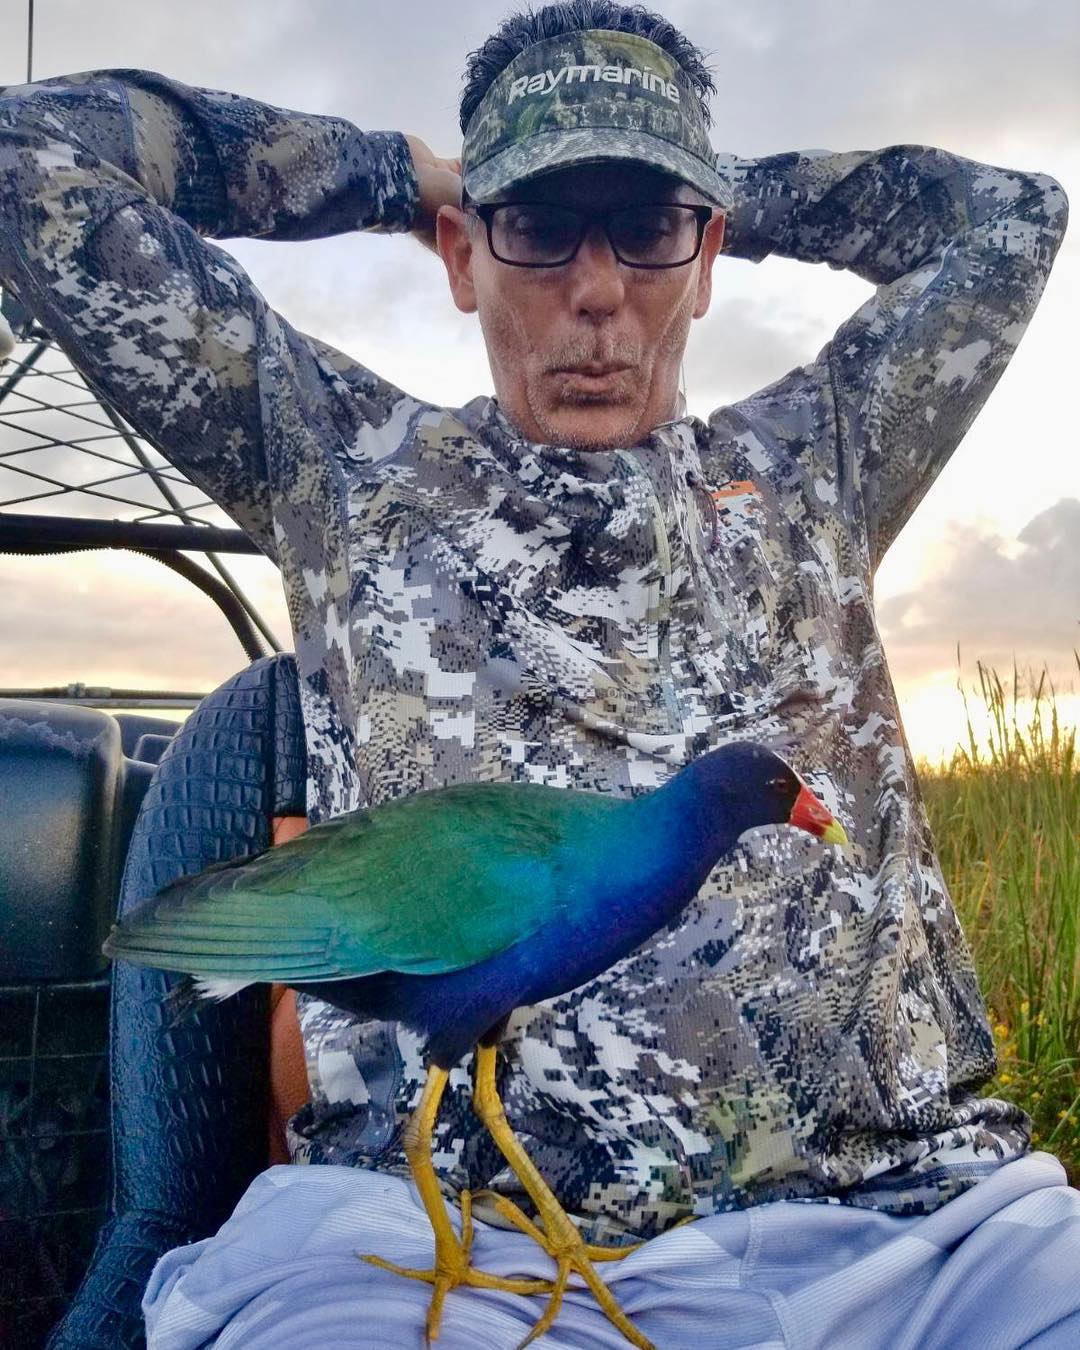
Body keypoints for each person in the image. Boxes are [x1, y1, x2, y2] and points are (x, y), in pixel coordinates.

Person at [2, 3, 1076, 1347]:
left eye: (645, 227)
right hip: (428, 1255)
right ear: (464, 252)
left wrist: (722, 184)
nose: (596, 288)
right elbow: (30, 153)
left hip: (924, 1240)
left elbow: (1015, 216)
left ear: (706, 252)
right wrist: (398, 176)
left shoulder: (827, 457)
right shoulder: (340, 464)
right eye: (538, 224)